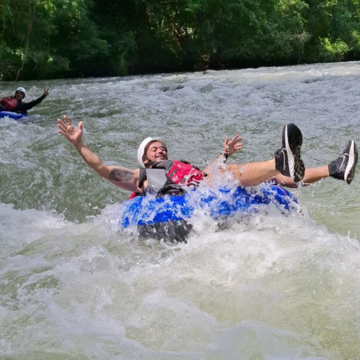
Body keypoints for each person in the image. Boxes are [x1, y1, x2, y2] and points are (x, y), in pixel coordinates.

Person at [57, 116, 358, 198]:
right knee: (235, 173)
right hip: (194, 198)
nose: (160, 149)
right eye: (154, 149)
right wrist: (79, 145)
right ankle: (280, 160)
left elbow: (206, 174)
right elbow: (106, 171)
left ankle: (336, 168)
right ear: (145, 161)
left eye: (162, 146)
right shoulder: (144, 177)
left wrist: (223, 154)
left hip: (206, 186)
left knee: (277, 179)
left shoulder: (182, 166)